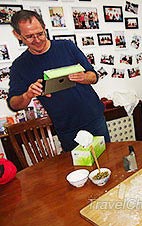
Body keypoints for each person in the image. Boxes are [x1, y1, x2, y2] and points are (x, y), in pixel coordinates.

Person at [7, 10, 110, 151]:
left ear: (44, 28)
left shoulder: (66, 46)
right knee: (79, 168)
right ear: (17, 35)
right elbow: (14, 104)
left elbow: (94, 76)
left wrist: (84, 77)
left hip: (94, 117)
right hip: (66, 127)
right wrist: (28, 94)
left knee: (107, 160)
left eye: (40, 33)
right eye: (29, 37)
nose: (37, 40)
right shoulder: (20, 66)